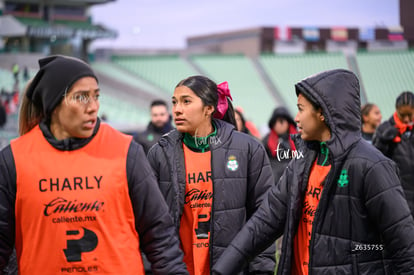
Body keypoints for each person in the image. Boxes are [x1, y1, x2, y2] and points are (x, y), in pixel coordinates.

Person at [212, 69, 414, 275]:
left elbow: (405, 247)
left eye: (301, 109)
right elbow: (265, 220)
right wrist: (222, 269)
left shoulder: (372, 165)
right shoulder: (301, 163)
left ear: (322, 113)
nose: (296, 118)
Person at [0, 55, 188, 275]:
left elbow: (160, 236)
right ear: (53, 103)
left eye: (96, 96)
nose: (93, 107)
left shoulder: (126, 151)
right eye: (81, 97)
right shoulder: (14, 158)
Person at [147, 76, 276, 275]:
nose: (177, 109)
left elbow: (262, 217)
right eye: (174, 102)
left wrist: (261, 271)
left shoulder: (248, 149)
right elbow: (148, 220)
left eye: (186, 101)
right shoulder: (160, 153)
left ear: (208, 109)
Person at [373, 91, 414, 217]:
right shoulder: (384, 129)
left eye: (410, 115)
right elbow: (375, 159)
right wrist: (383, 141)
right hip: (398, 193)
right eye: (402, 115)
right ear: (396, 110)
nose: (407, 119)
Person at [262, 106, 298, 183]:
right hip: (274, 180)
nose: (279, 125)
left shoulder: (298, 139)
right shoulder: (266, 141)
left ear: (288, 122)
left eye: (282, 121)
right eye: (276, 121)